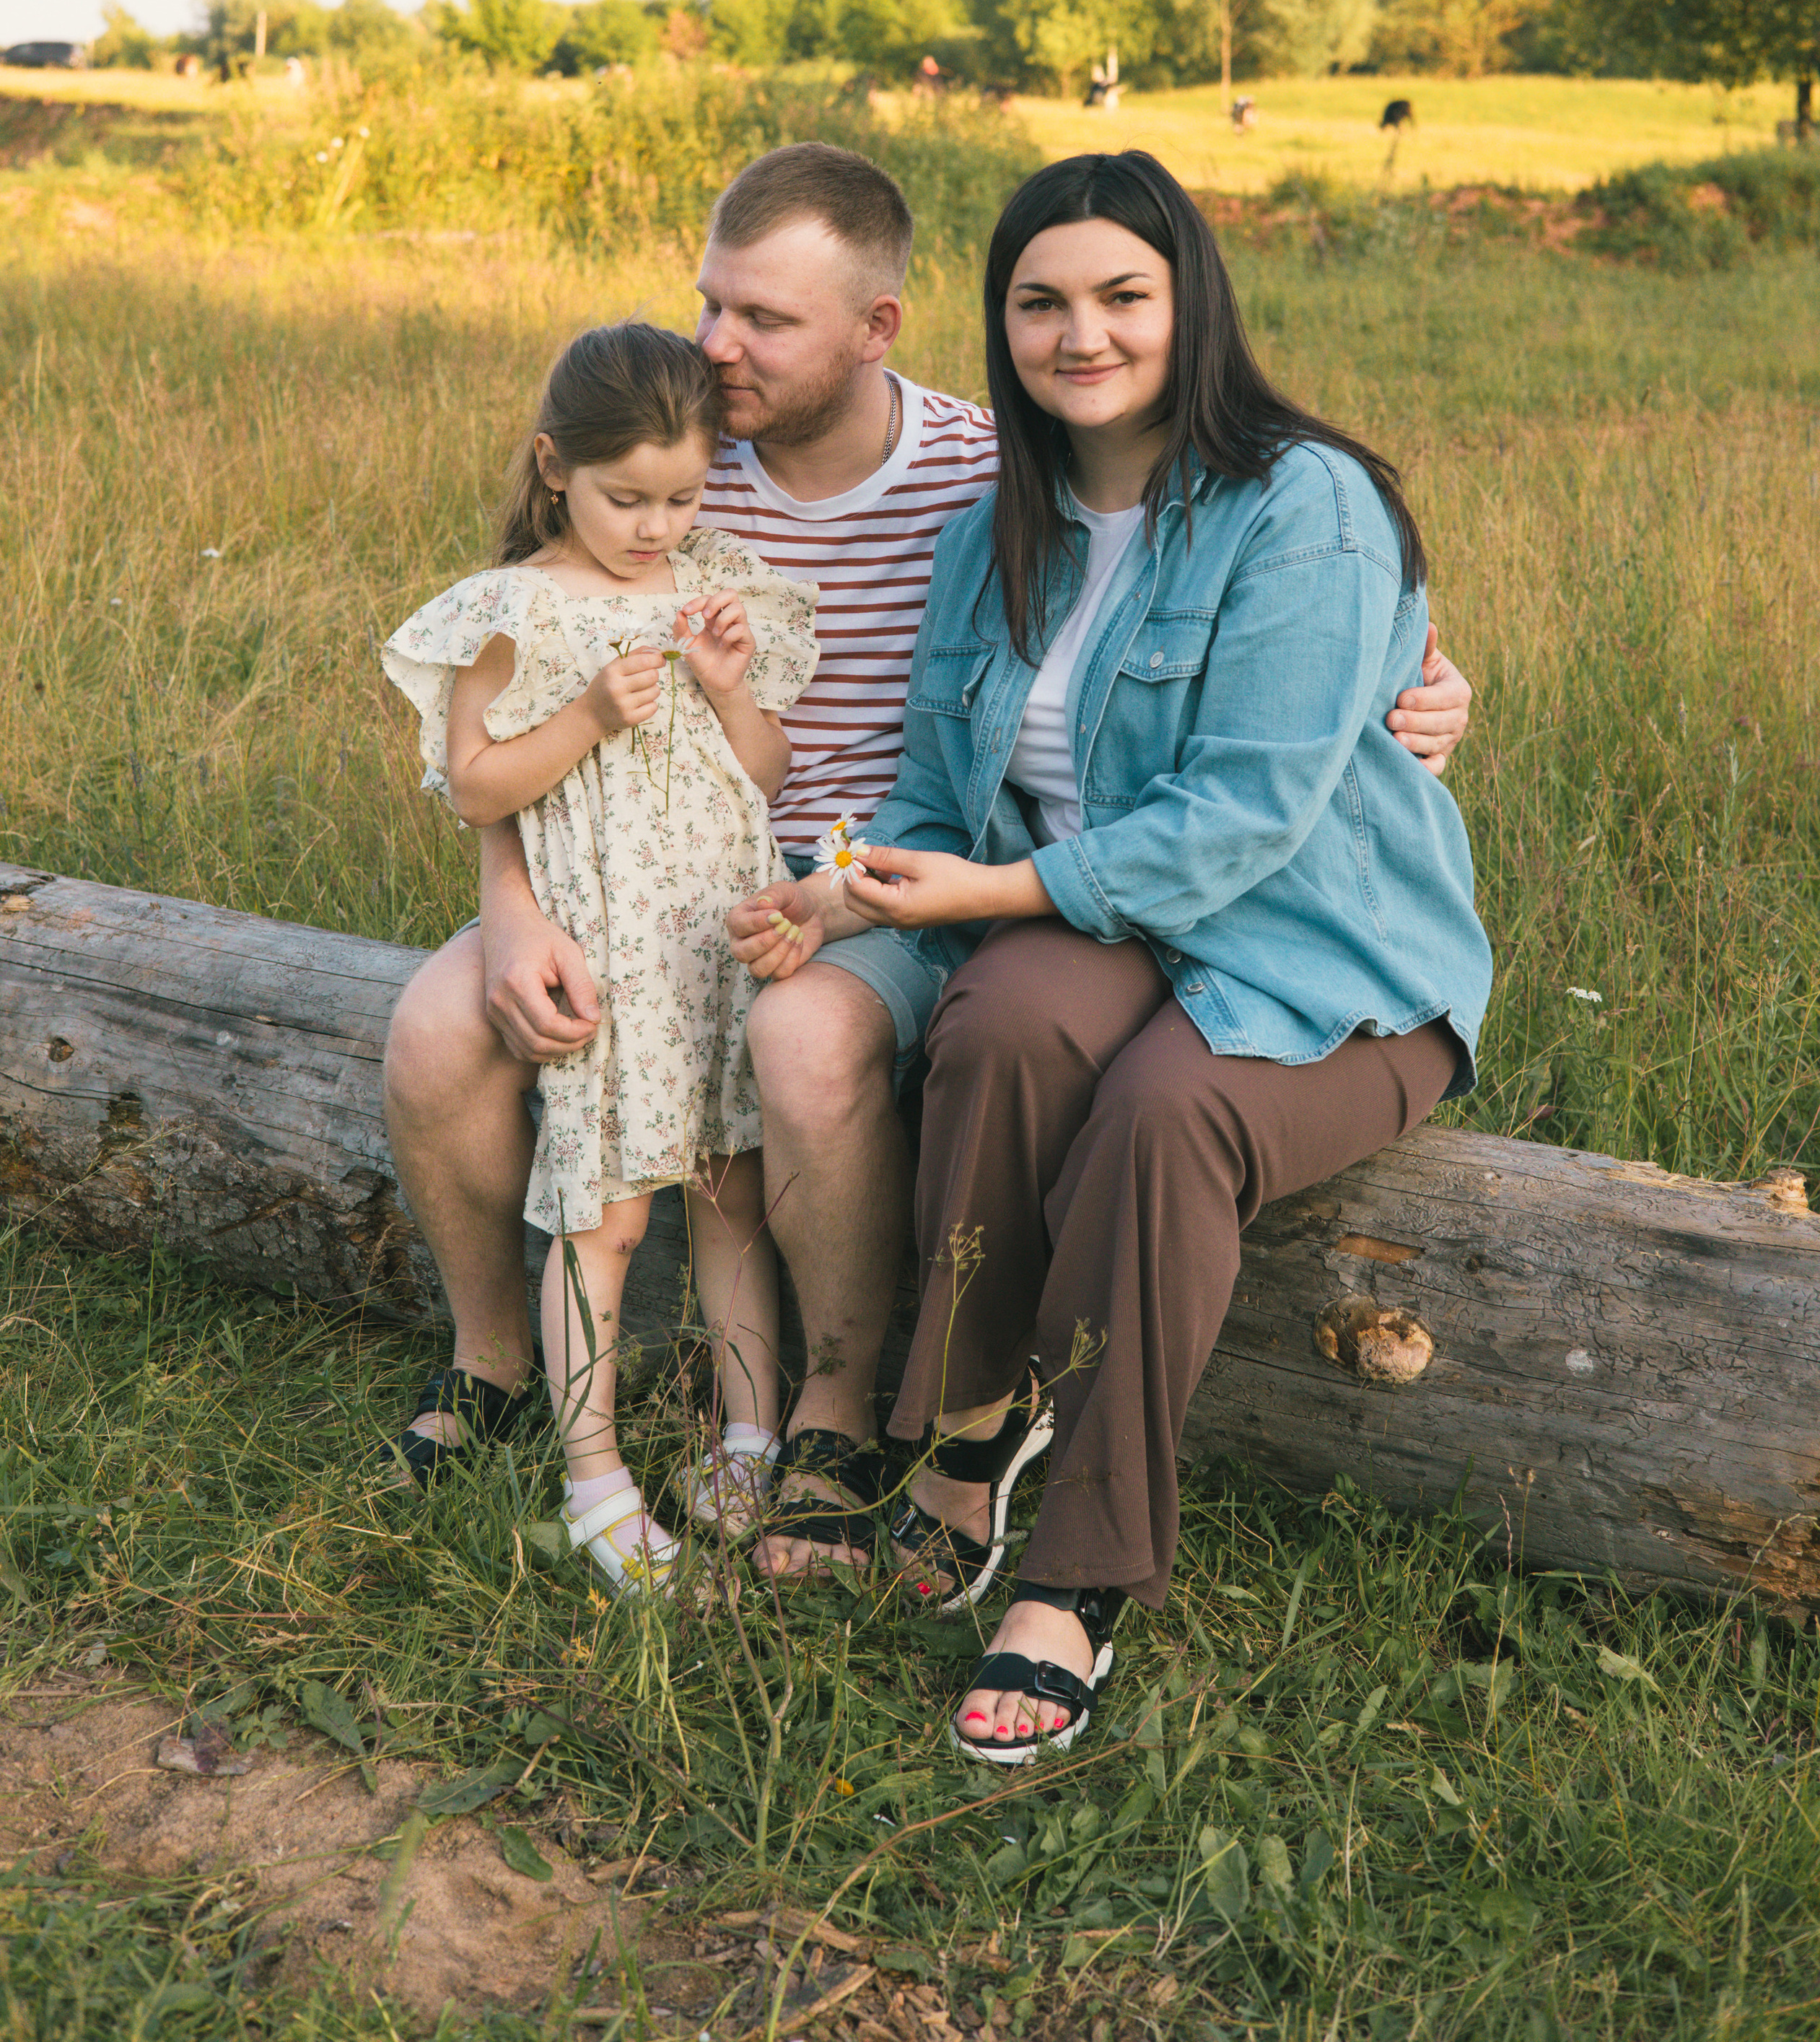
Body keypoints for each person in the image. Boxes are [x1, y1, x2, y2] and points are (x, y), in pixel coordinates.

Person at [379, 142, 1476, 1550]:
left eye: (765, 321)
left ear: (873, 327)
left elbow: (1266, 622)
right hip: (624, 855)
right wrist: (513, 909)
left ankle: (833, 1407)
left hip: (876, 867)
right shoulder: (664, 466)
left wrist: (1426, 696)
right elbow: (518, 703)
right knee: (432, 1026)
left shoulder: (988, 472)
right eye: (710, 302)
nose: (717, 345)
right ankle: (491, 1364)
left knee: (801, 1042)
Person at [728, 150, 1491, 1755]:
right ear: (998, 323)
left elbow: (1247, 816)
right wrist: (840, 884)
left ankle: (1075, 1577)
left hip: (1316, 954)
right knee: (996, 1031)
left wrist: (989, 897)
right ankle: (961, 1421)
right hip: (1094, 925)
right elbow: (938, 793)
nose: (1081, 334)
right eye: (1039, 302)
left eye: (1119, 296)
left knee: (1158, 1119)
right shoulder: (996, 527)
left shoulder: (1304, 502)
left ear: (1185, 301)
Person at [380, 322, 817, 1584]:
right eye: (628, 498)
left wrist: (730, 686)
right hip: (606, 953)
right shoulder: (516, 608)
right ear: (554, 466)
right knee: (605, 1217)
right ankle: (594, 1477)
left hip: (720, 938)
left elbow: (767, 773)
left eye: (683, 496)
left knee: (738, 1194)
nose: (656, 526)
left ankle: (747, 1435)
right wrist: (585, 714)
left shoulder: (712, 580)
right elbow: (473, 787)